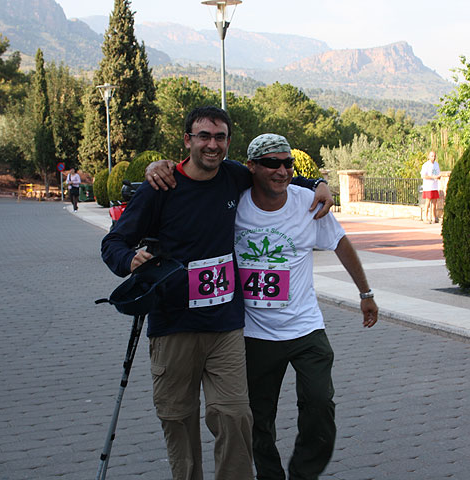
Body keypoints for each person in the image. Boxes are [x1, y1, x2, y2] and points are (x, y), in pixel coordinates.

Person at [101, 106, 334, 480]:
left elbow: (275, 175)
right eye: (204, 136)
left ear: (228, 142)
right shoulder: (160, 187)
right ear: (187, 140)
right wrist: (129, 260)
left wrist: (315, 183)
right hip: (174, 325)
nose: (213, 144)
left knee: (235, 416)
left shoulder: (232, 176)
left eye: (220, 137)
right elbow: (113, 241)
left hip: (225, 326)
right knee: (178, 418)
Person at [234, 134, 378, 480]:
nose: (282, 170)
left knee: (320, 405)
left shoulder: (308, 203)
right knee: (257, 416)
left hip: (305, 328)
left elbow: (340, 244)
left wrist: (365, 294)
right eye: (272, 163)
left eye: (288, 164)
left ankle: (303, 474)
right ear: (252, 166)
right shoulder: (235, 203)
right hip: (254, 334)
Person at [420, 151, 441, 224]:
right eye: (432, 156)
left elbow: (438, 173)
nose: (433, 157)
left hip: (435, 186)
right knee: (428, 202)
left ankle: (434, 217)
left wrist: (438, 177)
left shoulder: (436, 165)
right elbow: (423, 176)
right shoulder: (426, 165)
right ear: (429, 157)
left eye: (434, 156)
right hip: (428, 186)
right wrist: (432, 177)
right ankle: (425, 217)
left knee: (435, 203)